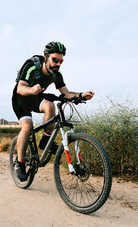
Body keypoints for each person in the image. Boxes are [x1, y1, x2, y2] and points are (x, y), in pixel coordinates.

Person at [11, 41, 95, 181]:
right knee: (27, 127)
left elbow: (66, 93)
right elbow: (20, 87)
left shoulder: (56, 74)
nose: (58, 64)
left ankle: (45, 141)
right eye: (55, 60)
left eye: (61, 61)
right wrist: (32, 90)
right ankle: (19, 162)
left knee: (50, 106)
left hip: (35, 97)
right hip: (21, 99)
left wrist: (81, 95)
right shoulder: (32, 66)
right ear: (46, 57)